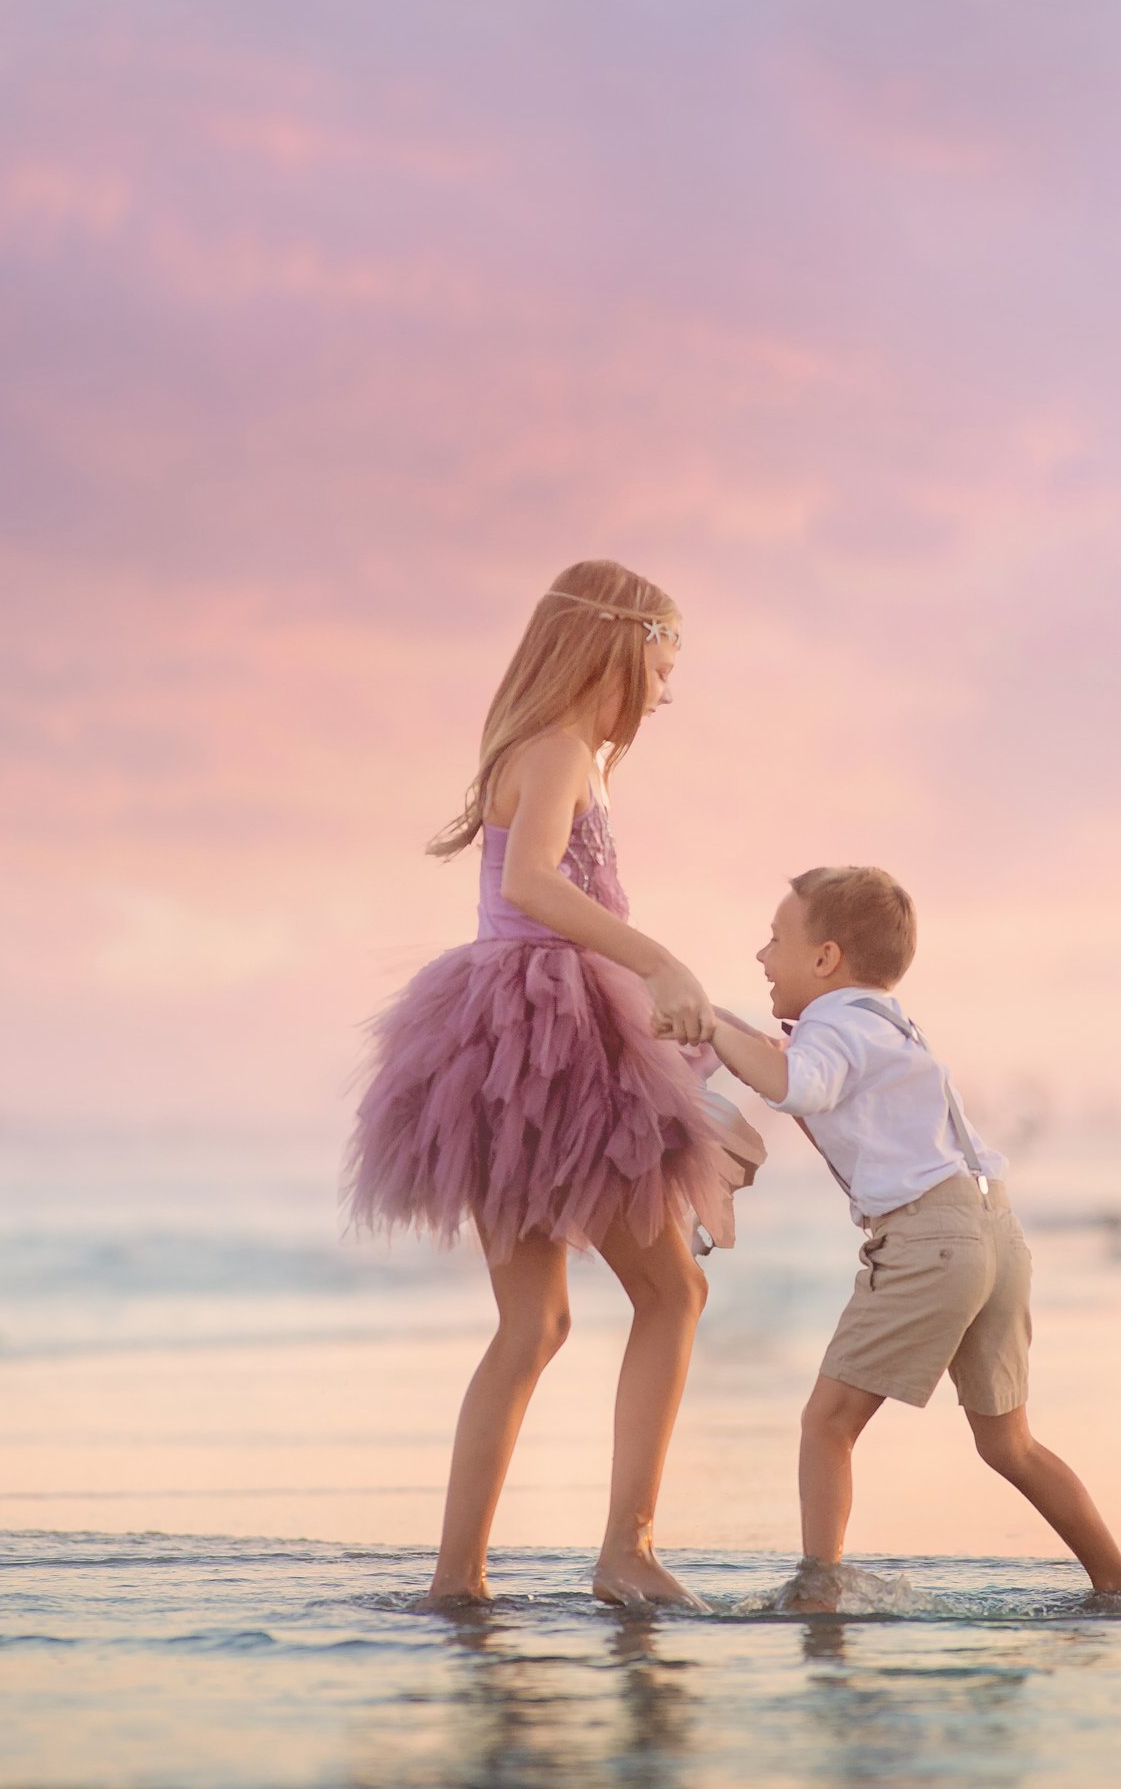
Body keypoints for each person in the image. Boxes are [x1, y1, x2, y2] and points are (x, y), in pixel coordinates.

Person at [345, 559, 759, 1610]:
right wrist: (660, 958)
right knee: (673, 1290)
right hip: (547, 1042)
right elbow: (531, 882)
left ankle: (457, 1579)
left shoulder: (547, 751)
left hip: (501, 1048)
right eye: (667, 661)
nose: (668, 689)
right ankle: (625, 1549)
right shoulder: (561, 749)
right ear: (621, 646)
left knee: (534, 1326)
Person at [697, 866, 1121, 1604]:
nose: (760, 956)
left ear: (826, 958)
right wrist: (717, 1023)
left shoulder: (832, 1027)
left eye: (775, 939)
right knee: (1010, 1443)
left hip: (929, 1238)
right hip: (994, 1230)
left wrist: (715, 1026)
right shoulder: (884, 1020)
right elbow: (789, 1062)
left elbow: (795, 1084)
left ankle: (820, 1592)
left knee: (827, 1423)